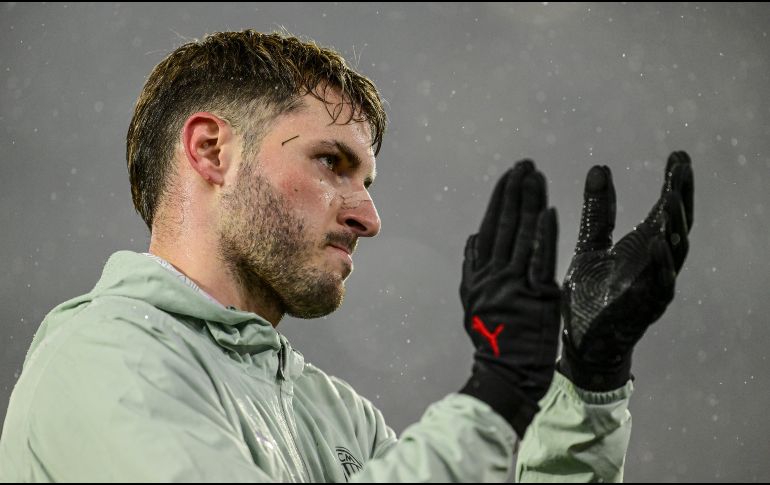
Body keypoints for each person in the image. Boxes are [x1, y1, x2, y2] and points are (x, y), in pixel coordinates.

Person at [0, 30, 694, 482]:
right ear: (212, 150)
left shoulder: (331, 411)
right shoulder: (100, 358)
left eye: (367, 181)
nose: (369, 216)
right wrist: (491, 397)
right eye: (331, 161)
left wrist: (586, 383)